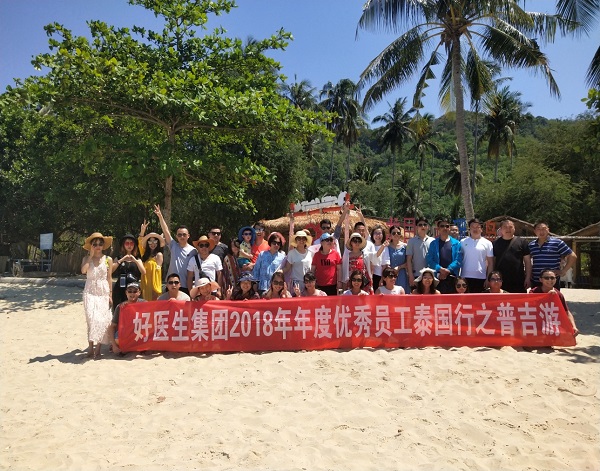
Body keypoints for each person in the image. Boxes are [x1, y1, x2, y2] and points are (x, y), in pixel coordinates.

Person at [81, 232, 114, 359]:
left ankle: (98, 349)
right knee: (91, 318)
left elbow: (109, 278)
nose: (98, 246)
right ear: (91, 246)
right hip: (89, 291)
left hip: (103, 291)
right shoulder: (86, 259)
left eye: (100, 243)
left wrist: (110, 294)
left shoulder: (108, 259)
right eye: (95, 244)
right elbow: (83, 271)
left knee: (101, 319)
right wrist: (90, 256)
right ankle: (90, 348)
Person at [154, 204, 196, 294]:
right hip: (170, 284)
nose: (182, 237)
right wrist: (160, 216)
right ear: (176, 236)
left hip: (185, 285)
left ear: (188, 236)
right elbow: (166, 231)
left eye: (184, 234)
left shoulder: (193, 251)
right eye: (179, 235)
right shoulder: (173, 245)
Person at [530, 268, 579, 336]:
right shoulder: (534, 292)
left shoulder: (558, 294)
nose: (550, 280)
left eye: (552, 278)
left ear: (556, 279)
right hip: (537, 322)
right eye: (546, 278)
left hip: (552, 324)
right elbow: (530, 306)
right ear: (540, 279)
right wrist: (547, 297)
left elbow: (566, 312)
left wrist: (574, 326)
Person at [529, 221, 577, 289]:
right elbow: (527, 260)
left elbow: (573, 256)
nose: (541, 231)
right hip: (536, 280)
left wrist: (564, 270)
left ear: (548, 230)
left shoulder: (557, 243)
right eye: (538, 229)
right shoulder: (531, 245)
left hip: (552, 281)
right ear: (535, 231)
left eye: (544, 229)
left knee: (552, 296)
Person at [492, 219, 532, 293]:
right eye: (505, 227)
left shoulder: (522, 242)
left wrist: (528, 278)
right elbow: (493, 262)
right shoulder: (495, 244)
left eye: (510, 227)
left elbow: (527, 262)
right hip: (500, 280)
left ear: (514, 228)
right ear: (501, 229)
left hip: (518, 279)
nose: (508, 229)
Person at [107, 280, 146, 355]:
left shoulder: (144, 304)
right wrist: (114, 345)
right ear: (126, 293)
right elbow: (112, 326)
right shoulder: (121, 307)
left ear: (139, 292)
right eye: (130, 291)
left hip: (139, 332)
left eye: (135, 291)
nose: (132, 293)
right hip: (126, 332)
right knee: (117, 340)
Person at [426, 218, 462, 294]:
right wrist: (440, 269)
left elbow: (458, 260)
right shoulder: (433, 244)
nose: (445, 228)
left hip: (452, 277)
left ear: (449, 228)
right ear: (438, 229)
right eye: (442, 226)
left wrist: (448, 270)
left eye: (447, 226)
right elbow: (429, 259)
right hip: (437, 278)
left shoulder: (456, 243)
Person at [111, 233, 146, 308]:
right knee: (120, 309)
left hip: (133, 289)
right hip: (120, 287)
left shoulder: (137, 258)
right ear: (123, 245)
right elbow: (111, 271)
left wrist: (135, 261)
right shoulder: (118, 258)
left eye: (131, 243)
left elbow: (143, 272)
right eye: (127, 243)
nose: (129, 245)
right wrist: (121, 260)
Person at [460, 218, 494, 293]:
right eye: (472, 227)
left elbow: (490, 262)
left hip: (481, 277)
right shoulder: (462, 242)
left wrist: (488, 279)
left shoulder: (487, 243)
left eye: (477, 227)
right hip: (465, 277)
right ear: (469, 229)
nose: (475, 229)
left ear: (481, 229)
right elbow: (459, 259)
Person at [138, 221, 165, 301]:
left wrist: (156, 290)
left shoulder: (159, 255)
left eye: (155, 241)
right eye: (150, 241)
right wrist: (142, 231)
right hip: (145, 285)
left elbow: (158, 273)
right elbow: (140, 243)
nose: (152, 244)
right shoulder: (144, 254)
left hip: (153, 288)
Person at [406, 217, 434, 288]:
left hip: (430, 276)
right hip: (416, 275)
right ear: (416, 227)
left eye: (425, 224)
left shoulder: (433, 241)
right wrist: (410, 275)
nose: (423, 226)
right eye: (420, 225)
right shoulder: (411, 241)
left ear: (428, 227)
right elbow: (409, 259)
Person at [383, 225, 410, 294]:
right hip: (389, 275)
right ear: (390, 235)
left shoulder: (405, 246)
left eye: (398, 233)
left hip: (402, 274)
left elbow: (409, 261)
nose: (396, 234)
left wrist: (399, 267)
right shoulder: (387, 247)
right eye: (393, 233)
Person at [370, 225, 389, 290]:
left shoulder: (385, 248)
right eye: (375, 233)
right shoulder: (370, 246)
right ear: (372, 235)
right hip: (369, 276)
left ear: (383, 235)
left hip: (379, 275)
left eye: (379, 233)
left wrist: (381, 279)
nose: (377, 235)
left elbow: (384, 265)